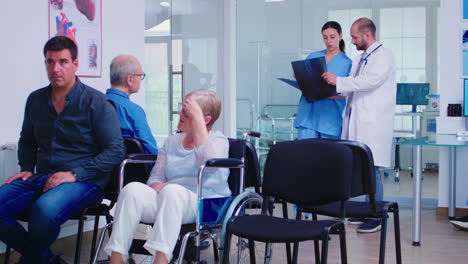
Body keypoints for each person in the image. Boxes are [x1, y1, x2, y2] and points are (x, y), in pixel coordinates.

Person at [0, 36, 125, 264]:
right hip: (42, 177)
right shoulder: (36, 100)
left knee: (44, 210)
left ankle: (32, 259)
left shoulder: (97, 103)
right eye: (50, 62)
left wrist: (74, 174)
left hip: (85, 182)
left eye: (63, 62)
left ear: (75, 64)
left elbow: (116, 150)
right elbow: (27, 139)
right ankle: (45, 259)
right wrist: (26, 168)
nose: (55, 68)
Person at [105, 89, 230, 264]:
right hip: (169, 201)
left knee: (172, 192)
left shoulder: (218, 141)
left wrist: (198, 121)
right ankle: (117, 258)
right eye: (182, 107)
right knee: (132, 189)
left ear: (205, 119)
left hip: (206, 204)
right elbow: (155, 177)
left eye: (187, 111)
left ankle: (161, 260)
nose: (180, 113)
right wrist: (158, 186)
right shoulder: (171, 142)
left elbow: (208, 162)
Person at [322, 17, 397, 233]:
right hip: (356, 120)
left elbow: (369, 82)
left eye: (354, 36)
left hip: (372, 122)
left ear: (366, 35)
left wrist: (338, 81)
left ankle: (377, 215)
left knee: (371, 169)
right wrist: (327, 88)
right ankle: (365, 210)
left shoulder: (384, 56)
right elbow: (351, 86)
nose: (352, 40)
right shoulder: (360, 57)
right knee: (361, 169)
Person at [294, 21, 352, 140]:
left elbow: (349, 92)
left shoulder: (348, 63)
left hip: (330, 118)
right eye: (325, 37)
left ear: (340, 36)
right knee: (305, 155)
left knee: (328, 156)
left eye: (332, 37)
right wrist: (299, 77)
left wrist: (328, 93)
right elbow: (305, 83)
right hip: (308, 116)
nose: (328, 41)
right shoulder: (313, 56)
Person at [106, 55, 158, 154]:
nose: (141, 79)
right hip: (129, 168)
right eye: (140, 75)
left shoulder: (95, 105)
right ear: (130, 79)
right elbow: (150, 150)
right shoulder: (133, 111)